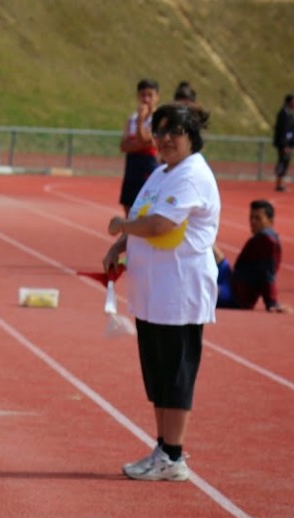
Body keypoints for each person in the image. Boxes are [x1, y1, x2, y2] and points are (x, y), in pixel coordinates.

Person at [102, 103, 220, 483]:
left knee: (176, 372)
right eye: (161, 132)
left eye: (175, 132)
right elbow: (144, 214)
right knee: (157, 373)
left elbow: (159, 223)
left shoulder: (191, 175)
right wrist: (120, 245)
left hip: (179, 291)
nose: (166, 139)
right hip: (153, 290)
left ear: (192, 137)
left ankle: (173, 455)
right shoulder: (160, 173)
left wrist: (122, 225)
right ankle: (162, 448)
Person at [214, 199, 289, 312]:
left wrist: (271, 302)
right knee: (214, 251)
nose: (252, 222)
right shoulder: (262, 237)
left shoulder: (268, 241)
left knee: (198, 294)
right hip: (232, 280)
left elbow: (268, 274)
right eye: (251, 217)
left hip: (235, 296)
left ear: (270, 221)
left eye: (258, 218)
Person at [118, 78, 160, 216]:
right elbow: (123, 146)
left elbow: (149, 141)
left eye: (150, 95)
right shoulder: (132, 119)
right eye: (143, 95)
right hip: (132, 164)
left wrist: (141, 121)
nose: (146, 99)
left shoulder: (158, 119)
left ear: (157, 97)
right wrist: (140, 143)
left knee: (145, 202)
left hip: (148, 164)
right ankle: (129, 233)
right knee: (127, 202)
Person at [273, 94, 294, 192]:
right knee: (282, 161)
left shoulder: (289, 114)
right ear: (289, 102)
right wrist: (285, 145)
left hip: (288, 143)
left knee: (285, 162)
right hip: (283, 144)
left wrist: (291, 144)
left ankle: (280, 182)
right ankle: (279, 183)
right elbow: (282, 130)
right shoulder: (283, 114)